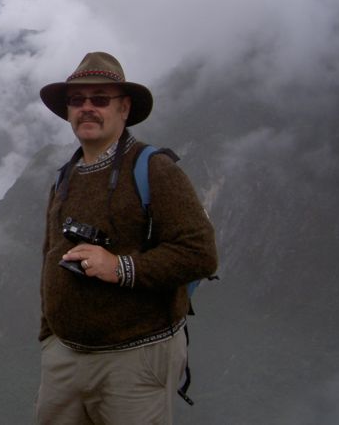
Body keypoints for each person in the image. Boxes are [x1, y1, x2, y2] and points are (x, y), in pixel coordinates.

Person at [35, 51, 217, 425]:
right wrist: (49, 334)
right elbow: (49, 253)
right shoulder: (65, 176)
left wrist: (120, 267)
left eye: (100, 99)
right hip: (65, 359)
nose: (87, 108)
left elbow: (200, 253)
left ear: (124, 108)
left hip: (134, 361)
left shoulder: (154, 169)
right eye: (77, 100)